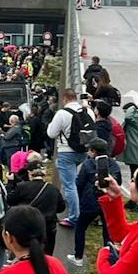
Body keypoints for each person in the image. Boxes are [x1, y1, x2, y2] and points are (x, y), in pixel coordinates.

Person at [68, 139, 121, 267]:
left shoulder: (87, 165)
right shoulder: (114, 164)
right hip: (108, 201)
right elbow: (118, 184)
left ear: (94, 151)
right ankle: (109, 257)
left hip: (90, 201)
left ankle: (78, 256)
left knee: (81, 226)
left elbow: (79, 183)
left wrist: (80, 199)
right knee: (107, 231)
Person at [47, 89, 92, 229]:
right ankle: (75, 205)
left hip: (66, 152)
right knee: (74, 182)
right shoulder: (87, 111)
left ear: (65, 99)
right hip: (83, 151)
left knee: (69, 185)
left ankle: (73, 217)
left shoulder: (62, 114)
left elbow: (51, 133)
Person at [119, 99, 138, 170]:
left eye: (126, 111)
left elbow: (127, 117)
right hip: (136, 145)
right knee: (134, 168)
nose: (125, 113)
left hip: (133, 146)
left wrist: (132, 108)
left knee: (134, 169)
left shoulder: (135, 119)